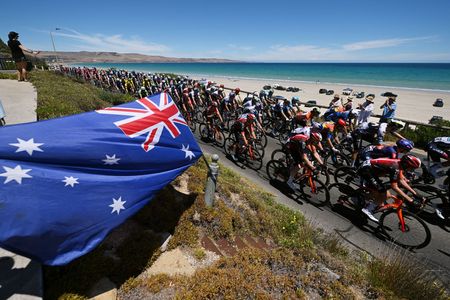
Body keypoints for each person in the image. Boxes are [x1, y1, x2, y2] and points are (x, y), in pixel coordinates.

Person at [358, 154, 425, 222]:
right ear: (406, 164)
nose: (412, 170)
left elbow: (401, 180)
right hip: (366, 170)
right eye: (412, 168)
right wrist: (410, 200)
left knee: (383, 193)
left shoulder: (399, 165)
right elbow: (394, 187)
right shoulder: (395, 167)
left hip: (371, 169)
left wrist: (416, 194)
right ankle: (367, 210)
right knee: (384, 193)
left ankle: (362, 198)